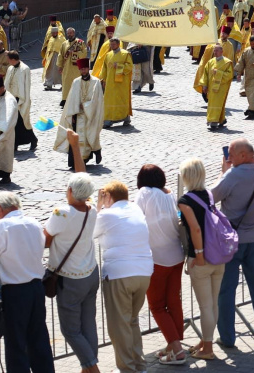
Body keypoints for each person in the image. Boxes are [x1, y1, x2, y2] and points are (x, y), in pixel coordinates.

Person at [213, 138, 254, 347]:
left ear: (243, 155)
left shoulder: (233, 175)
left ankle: (227, 337)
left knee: (227, 289)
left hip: (233, 241)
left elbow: (211, 197)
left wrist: (223, 172)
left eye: (231, 154)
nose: (228, 158)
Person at [44, 141, 100, 372]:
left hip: (71, 279)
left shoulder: (61, 213)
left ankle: (92, 368)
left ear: (70, 191)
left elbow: (46, 240)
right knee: (89, 325)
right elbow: (82, 179)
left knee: (71, 330)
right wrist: (75, 147)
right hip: (90, 273)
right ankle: (87, 368)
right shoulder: (93, 209)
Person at [0, 192, 54, 372]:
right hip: (36, 288)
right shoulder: (34, 223)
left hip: (14, 291)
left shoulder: (2, 227)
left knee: (16, 343)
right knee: (39, 338)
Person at [93, 180, 154, 373]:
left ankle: (127, 368)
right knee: (132, 320)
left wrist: (99, 206)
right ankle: (139, 365)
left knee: (119, 325)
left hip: (120, 273)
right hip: (143, 272)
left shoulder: (107, 214)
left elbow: (90, 231)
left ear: (108, 196)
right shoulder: (136, 210)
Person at [135, 165, 187, 365]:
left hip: (157, 258)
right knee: (173, 301)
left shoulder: (144, 194)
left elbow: (137, 218)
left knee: (157, 305)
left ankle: (176, 349)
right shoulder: (170, 195)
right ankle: (173, 344)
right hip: (176, 255)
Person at [177, 158, 225, 361]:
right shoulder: (209, 195)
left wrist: (199, 256)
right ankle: (206, 341)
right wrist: (224, 170)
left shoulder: (185, 201)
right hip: (219, 255)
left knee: (205, 306)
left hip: (202, 258)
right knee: (213, 304)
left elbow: (195, 229)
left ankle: (208, 349)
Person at [54, 59, 104, 167]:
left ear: (88, 69)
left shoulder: (96, 82)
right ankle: (78, 160)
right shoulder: (76, 81)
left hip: (91, 115)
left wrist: (86, 106)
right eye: (82, 69)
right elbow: (71, 99)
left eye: (85, 68)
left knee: (90, 135)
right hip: (77, 115)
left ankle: (96, 150)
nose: (84, 70)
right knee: (77, 137)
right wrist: (73, 112)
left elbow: (97, 100)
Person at [4, 51, 39, 152]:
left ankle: (33, 140)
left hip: (21, 100)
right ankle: (15, 143)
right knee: (13, 124)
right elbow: (7, 83)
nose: (8, 61)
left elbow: (27, 86)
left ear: (13, 59)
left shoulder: (25, 69)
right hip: (11, 99)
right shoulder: (10, 68)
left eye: (9, 59)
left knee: (24, 122)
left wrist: (26, 101)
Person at [101, 37, 133, 128]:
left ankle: (126, 117)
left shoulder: (125, 54)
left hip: (121, 83)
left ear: (118, 44)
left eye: (113, 44)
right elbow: (104, 68)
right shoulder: (108, 55)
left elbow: (130, 66)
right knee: (109, 100)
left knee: (122, 99)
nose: (112, 46)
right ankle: (108, 119)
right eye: (111, 44)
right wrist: (103, 79)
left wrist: (119, 66)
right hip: (110, 82)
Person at [199, 44, 233, 130]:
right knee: (211, 104)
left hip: (221, 88)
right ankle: (221, 120)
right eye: (214, 51)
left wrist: (218, 73)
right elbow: (205, 74)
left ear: (222, 51)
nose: (215, 52)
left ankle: (213, 122)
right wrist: (205, 85)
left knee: (218, 104)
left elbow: (229, 75)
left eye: (217, 51)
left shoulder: (227, 62)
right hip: (211, 87)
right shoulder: (210, 62)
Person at [58, 28, 88, 107]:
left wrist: (74, 52)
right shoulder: (64, 44)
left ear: (74, 33)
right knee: (66, 84)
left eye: (71, 33)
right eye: (68, 33)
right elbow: (60, 55)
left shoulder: (80, 43)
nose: (69, 34)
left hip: (76, 68)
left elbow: (84, 53)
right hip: (66, 68)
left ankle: (78, 100)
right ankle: (65, 100)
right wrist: (60, 66)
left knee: (77, 84)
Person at [41, 26, 64, 90]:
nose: (53, 34)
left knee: (59, 71)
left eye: (55, 33)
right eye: (52, 33)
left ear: (57, 32)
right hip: (50, 57)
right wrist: (46, 57)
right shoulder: (51, 39)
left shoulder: (61, 38)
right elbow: (48, 48)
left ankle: (63, 84)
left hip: (58, 56)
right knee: (49, 71)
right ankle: (49, 84)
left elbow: (64, 47)